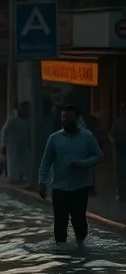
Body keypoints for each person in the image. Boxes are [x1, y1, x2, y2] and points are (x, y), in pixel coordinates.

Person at [38, 105, 103, 245]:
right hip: (59, 187)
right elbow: (45, 162)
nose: (65, 120)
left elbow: (98, 156)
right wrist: (42, 181)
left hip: (80, 187)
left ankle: (81, 247)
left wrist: (83, 163)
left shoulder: (87, 137)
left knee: (79, 222)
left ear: (77, 118)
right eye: (63, 118)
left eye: (68, 117)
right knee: (60, 222)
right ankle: (61, 254)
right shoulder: (54, 138)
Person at [0, 101, 33, 184]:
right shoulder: (12, 120)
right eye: (24, 109)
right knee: (13, 163)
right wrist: (3, 145)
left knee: (26, 162)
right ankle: (13, 179)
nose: (26, 111)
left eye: (28, 109)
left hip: (24, 145)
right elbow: (4, 132)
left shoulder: (30, 121)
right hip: (12, 145)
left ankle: (25, 178)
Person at [112, 106, 126, 201]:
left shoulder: (118, 123)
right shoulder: (118, 123)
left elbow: (112, 137)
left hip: (120, 151)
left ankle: (121, 193)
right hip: (120, 151)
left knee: (120, 173)